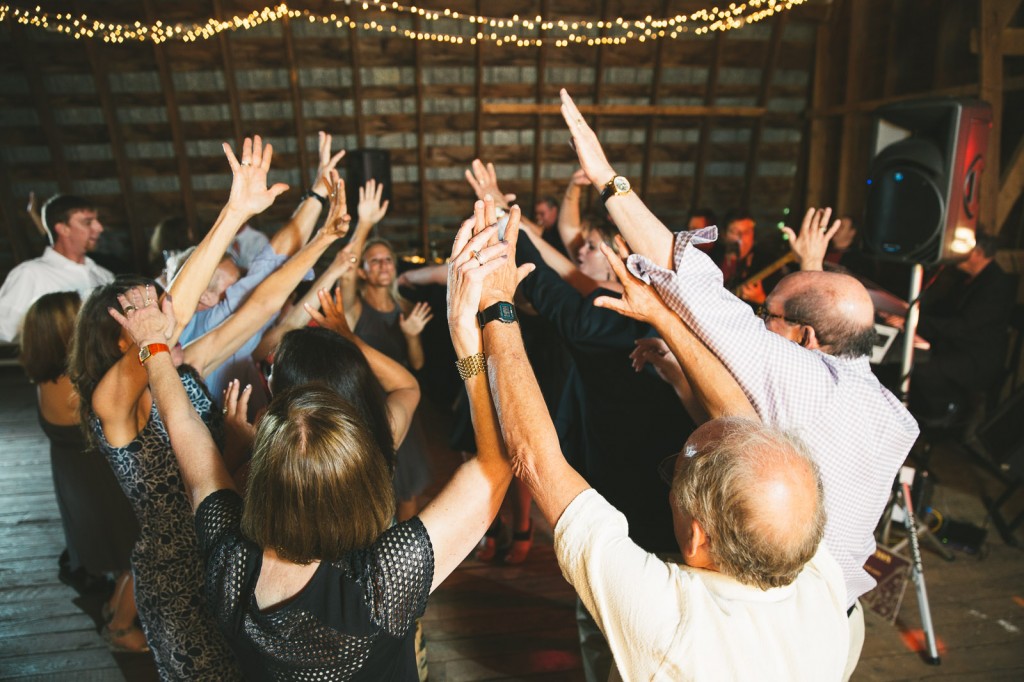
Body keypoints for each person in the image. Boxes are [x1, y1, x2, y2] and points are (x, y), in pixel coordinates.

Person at [559, 87, 919, 680]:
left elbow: (689, 279)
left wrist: (607, 177)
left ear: (806, 341)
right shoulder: (890, 411)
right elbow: (751, 422)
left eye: (768, 313)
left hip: (772, 619)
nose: (755, 317)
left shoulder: (807, 382)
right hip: (839, 625)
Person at [106, 199, 523, 680]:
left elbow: (191, 446)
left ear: (259, 479)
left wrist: (155, 348)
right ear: (364, 484)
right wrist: (467, 336)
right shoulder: (383, 582)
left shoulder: (231, 562)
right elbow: (495, 466)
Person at [467, 212, 849, 679]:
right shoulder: (821, 581)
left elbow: (537, 459)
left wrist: (494, 306)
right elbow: (743, 426)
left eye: (677, 476)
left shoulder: (668, 615)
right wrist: (662, 318)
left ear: (695, 537)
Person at [68, 136, 348, 680]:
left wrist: (323, 244)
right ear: (120, 339)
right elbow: (164, 323)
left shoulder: (181, 365)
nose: (168, 318)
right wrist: (234, 211)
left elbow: (261, 306)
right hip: (179, 574)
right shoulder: (114, 405)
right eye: (146, 315)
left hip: (235, 543)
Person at [20, 291, 144, 653]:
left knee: (125, 559)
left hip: (77, 482)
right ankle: (120, 629)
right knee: (139, 555)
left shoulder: (44, 380)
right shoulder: (78, 385)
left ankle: (112, 607)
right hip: (100, 484)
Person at [341, 181, 434, 522]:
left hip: (401, 407)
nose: (383, 265)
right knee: (371, 496)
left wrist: (411, 336)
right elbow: (345, 271)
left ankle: (407, 565)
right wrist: (363, 224)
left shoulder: (405, 307)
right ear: (364, 271)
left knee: (407, 491)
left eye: (388, 260)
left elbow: (418, 364)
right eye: (374, 261)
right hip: (364, 408)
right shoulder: (353, 308)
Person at [0, 194, 113, 342]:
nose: (99, 228)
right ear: (63, 229)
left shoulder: (104, 276)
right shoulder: (29, 274)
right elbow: (3, 332)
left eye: (97, 221)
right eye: (88, 222)